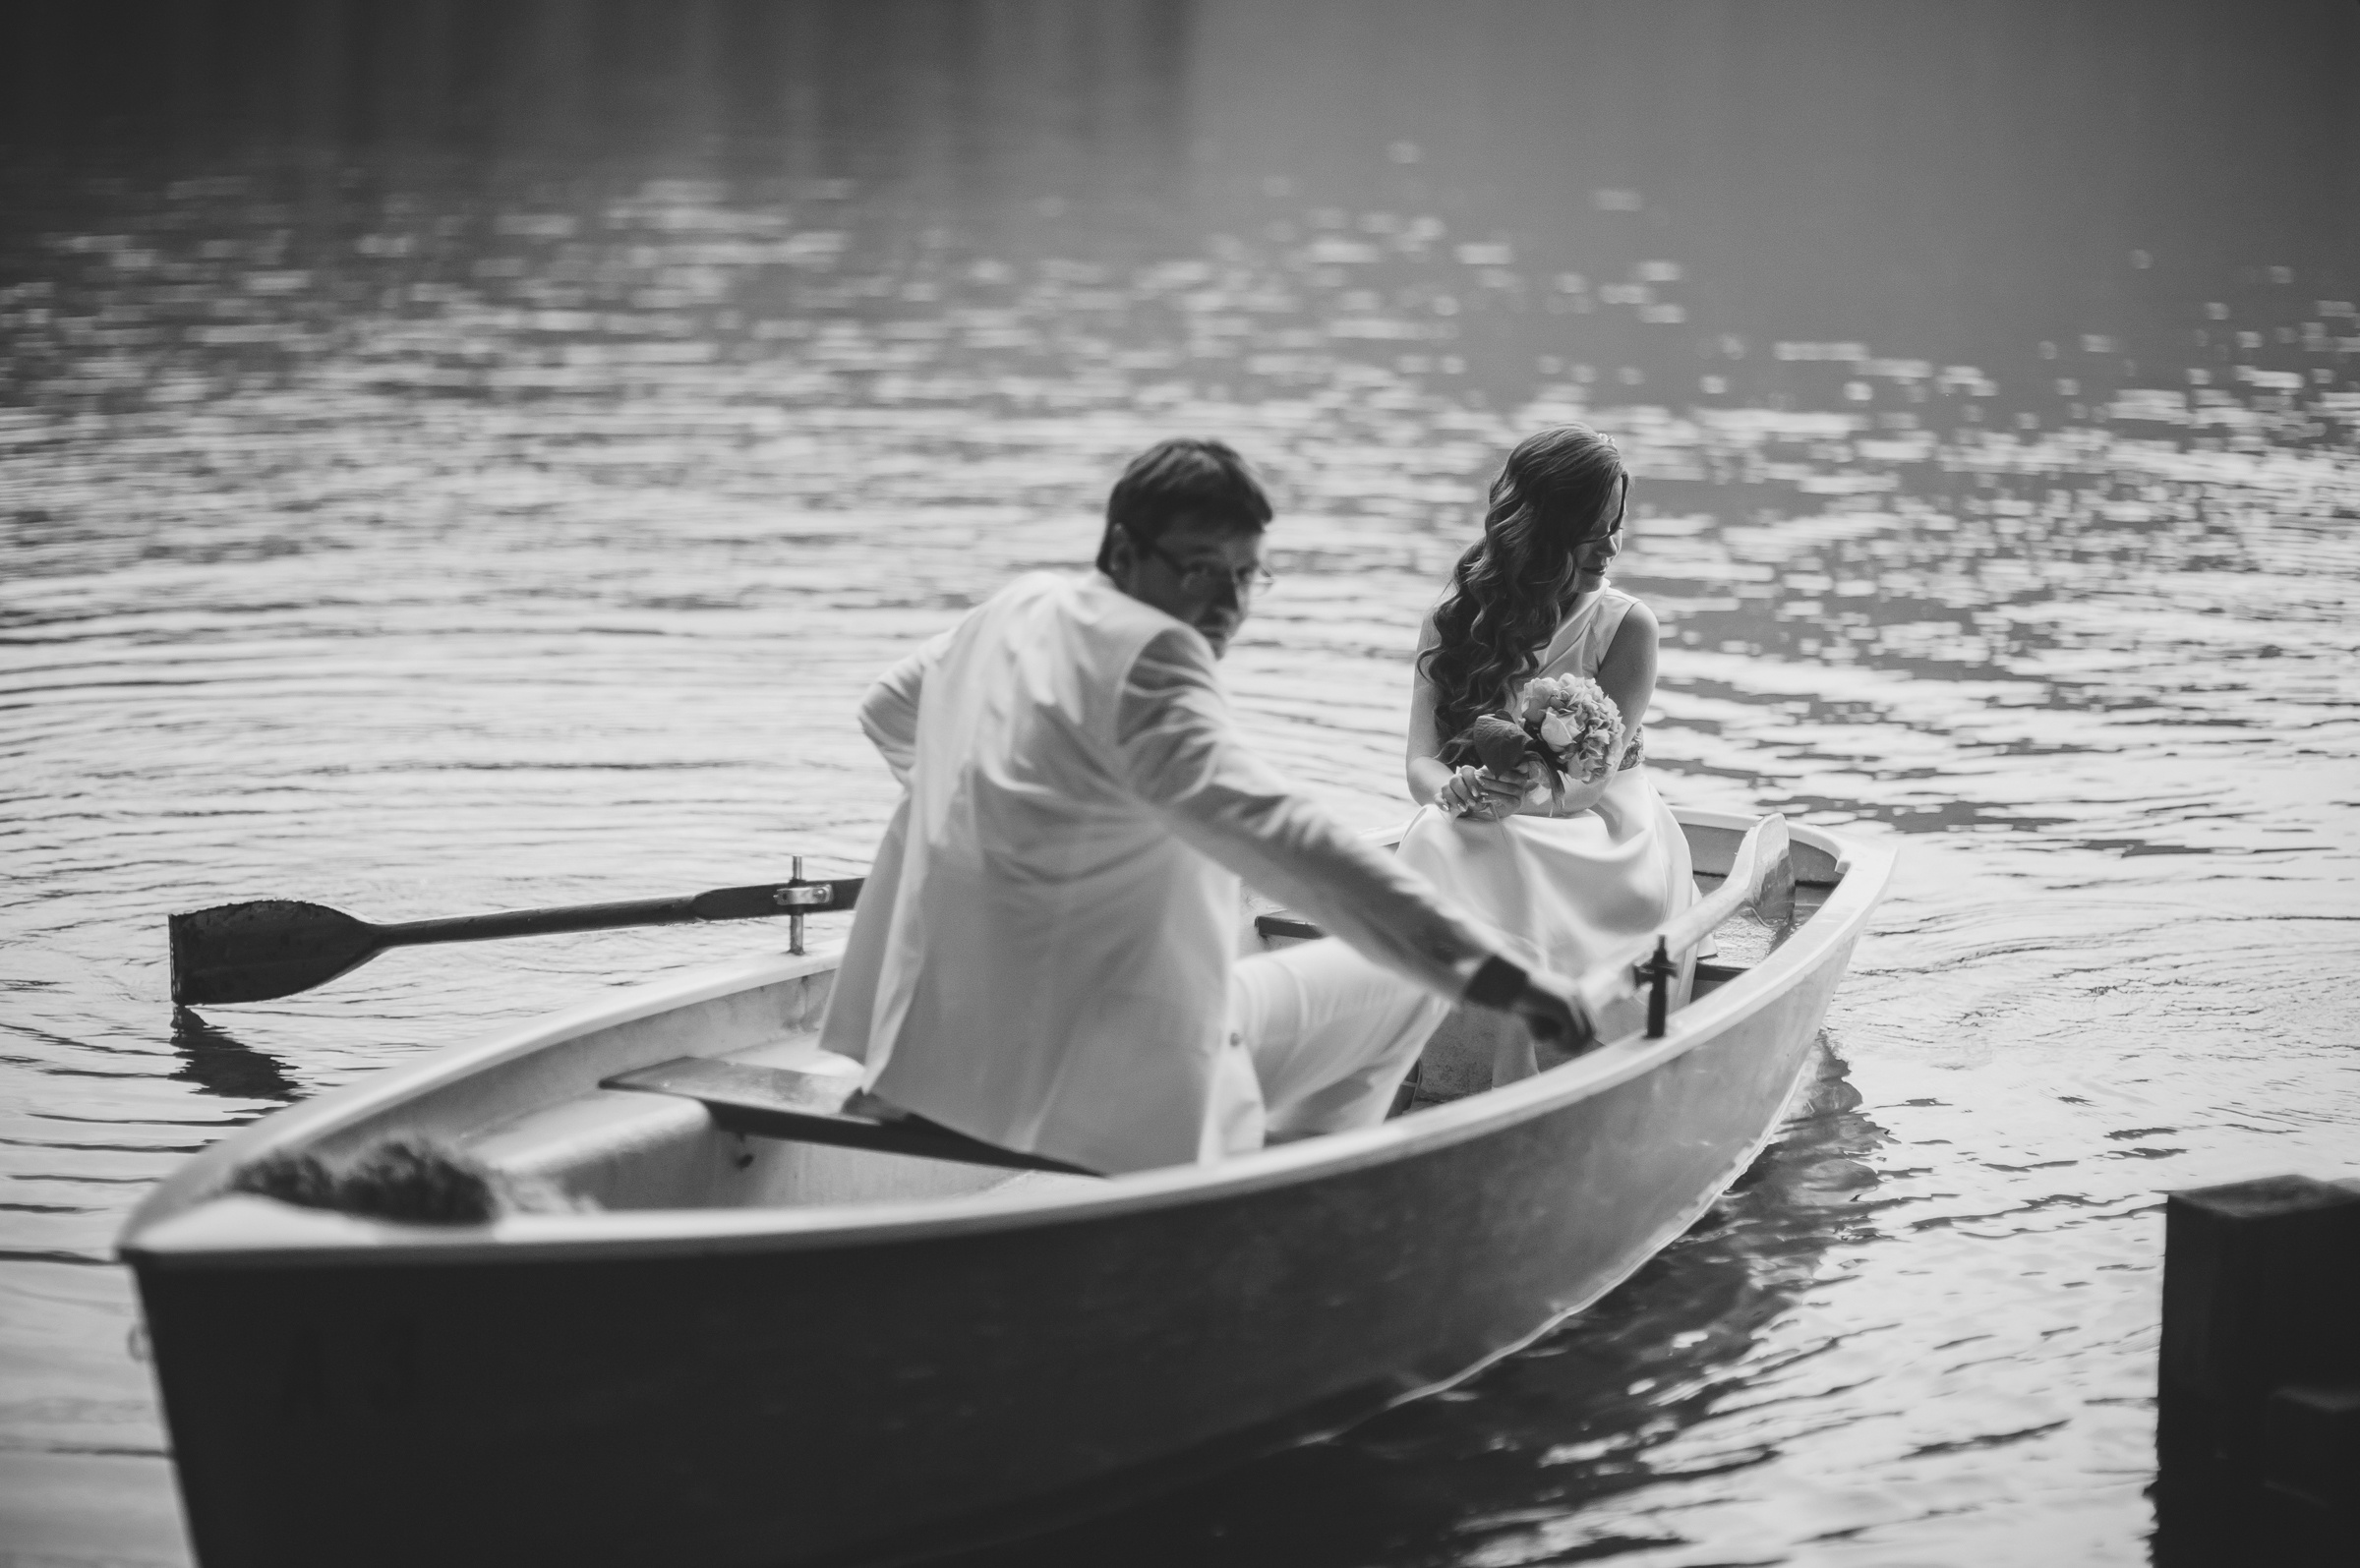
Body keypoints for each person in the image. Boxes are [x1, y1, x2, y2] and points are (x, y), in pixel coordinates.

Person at [818, 438, 1590, 1176]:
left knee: (1372, 970)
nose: (1226, 603)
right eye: (1198, 570)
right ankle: (1284, 1197)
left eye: (1246, 575)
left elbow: (888, 712)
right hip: (1104, 1076)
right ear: (1122, 552)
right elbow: (1297, 849)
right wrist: (1508, 979)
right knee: (1412, 976)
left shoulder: (1021, 604)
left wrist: (1001, 832)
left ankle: (1268, 1164)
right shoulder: (1156, 657)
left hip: (932, 1061)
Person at [1396, 425, 1698, 1083]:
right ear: (1540, 524)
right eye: (1594, 526)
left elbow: (1591, 782)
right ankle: (1412, 1052)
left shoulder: (1626, 626)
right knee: (1428, 834)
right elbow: (1421, 762)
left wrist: (1522, 797)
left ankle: (1515, 1051)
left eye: (1618, 522)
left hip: (1595, 823)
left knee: (1491, 844)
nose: (1613, 544)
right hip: (1481, 809)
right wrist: (1454, 790)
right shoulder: (1454, 618)